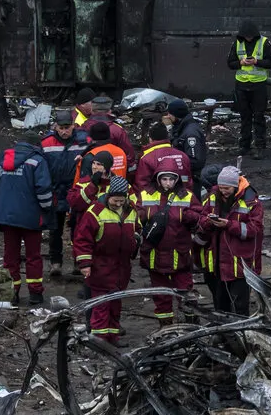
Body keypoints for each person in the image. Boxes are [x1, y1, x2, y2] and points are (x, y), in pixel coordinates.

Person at [0, 136, 54, 304]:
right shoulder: (37, 161)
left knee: (10, 256)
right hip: (31, 217)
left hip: (7, 218)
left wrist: (0, 208)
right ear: (34, 145)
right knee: (33, 256)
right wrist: (46, 209)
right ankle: (35, 294)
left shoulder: (0, 161)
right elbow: (44, 190)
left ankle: (12, 292)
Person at [73, 176, 140, 337]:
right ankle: (99, 340)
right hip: (100, 266)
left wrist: (136, 238)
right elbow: (82, 240)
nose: (118, 204)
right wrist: (85, 264)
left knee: (116, 304)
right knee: (101, 306)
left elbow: (137, 228)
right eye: (115, 200)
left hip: (121, 267)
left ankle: (112, 337)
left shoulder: (130, 210)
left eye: (121, 201)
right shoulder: (95, 212)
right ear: (109, 196)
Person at [139, 166, 201, 324]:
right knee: (160, 296)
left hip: (179, 254)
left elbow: (200, 217)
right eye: (164, 179)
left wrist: (189, 216)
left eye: (171, 179)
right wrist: (143, 216)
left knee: (186, 293)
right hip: (154, 254)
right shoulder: (145, 195)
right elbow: (134, 217)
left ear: (177, 180)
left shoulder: (187, 196)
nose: (168, 183)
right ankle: (165, 329)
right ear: (158, 179)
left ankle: (192, 327)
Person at [198, 164, 264, 313]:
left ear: (235, 186)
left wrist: (228, 225)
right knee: (220, 304)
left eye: (227, 188)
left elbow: (253, 230)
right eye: (221, 187)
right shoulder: (213, 197)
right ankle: (224, 334)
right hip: (217, 262)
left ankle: (242, 334)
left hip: (239, 264)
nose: (223, 191)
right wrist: (208, 221)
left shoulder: (252, 203)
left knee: (240, 305)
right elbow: (201, 219)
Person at [41, 112, 90, 277]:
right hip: (55, 192)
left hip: (76, 193)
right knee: (55, 230)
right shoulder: (46, 143)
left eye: (67, 128)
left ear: (73, 126)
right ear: (55, 127)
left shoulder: (84, 142)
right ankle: (56, 263)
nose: (64, 132)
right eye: (61, 128)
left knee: (78, 230)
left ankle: (78, 263)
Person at [228, 20, 271, 155]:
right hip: (241, 85)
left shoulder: (265, 42)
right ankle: (245, 146)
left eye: (250, 36)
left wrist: (256, 62)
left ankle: (260, 147)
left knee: (259, 116)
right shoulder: (237, 43)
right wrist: (241, 62)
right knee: (245, 116)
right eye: (246, 36)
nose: (248, 38)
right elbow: (230, 63)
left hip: (259, 85)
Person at [165, 98, 210, 192]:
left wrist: (175, 164)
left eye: (170, 113)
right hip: (183, 176)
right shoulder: (180, 127)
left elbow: (195, 160)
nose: (168, 116)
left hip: (190, 179)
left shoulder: (191, 134)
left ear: (177, 114)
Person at [90, 95, 138, 166]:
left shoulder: (81, 127)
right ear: (109, 111)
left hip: (85, 171)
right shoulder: (117, 130)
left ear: (91, 110)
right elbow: (129, 156)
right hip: (111, 171)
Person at [83, 120, 129, 185]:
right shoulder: (121, 152)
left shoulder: (91, 155)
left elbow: (83, 181)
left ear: (92, 138)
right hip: (120, 191)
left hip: (96, 192)